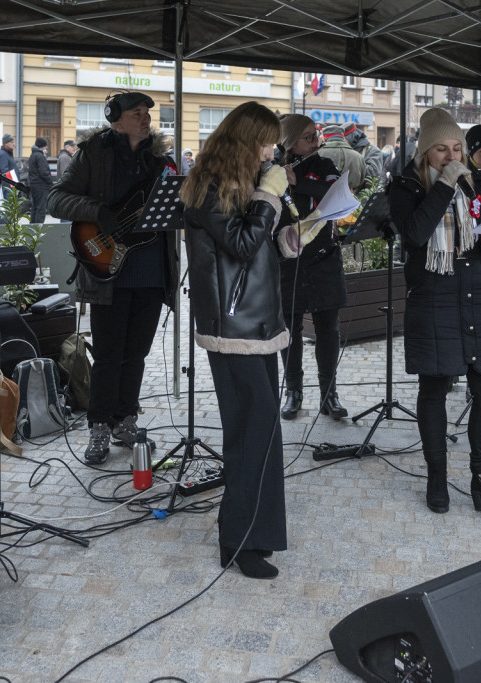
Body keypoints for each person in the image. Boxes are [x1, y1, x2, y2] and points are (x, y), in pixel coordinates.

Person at [388, 108, 481, 515]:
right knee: (434, 389)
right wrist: (445, 185)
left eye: (457, 148)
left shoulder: (474, 183)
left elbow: (479, 247)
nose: (451, 156)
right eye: (441, 149)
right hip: (432, 293)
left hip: (476, 292)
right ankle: (437, 477)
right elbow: (414, 235)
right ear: (425, 151)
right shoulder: (405, 187)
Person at [180, 101, 289, 579]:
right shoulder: (209, 185)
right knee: (250, 429)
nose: (273, 150)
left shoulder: (244, 182)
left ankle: (255, 534)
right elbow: (241, 244)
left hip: (257, 323)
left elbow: (254, 245)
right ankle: (238, 540)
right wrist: (269, 197)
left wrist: (290, 234)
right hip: (233, 328)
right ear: (247, 140)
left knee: (262, 430)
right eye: (266, 140)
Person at [47, 91, 178, 464]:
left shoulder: (160, 160)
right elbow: (56, 199)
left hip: (151, 271)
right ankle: (99, 426)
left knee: (136, 353)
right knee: (108, 355)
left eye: (147, 113)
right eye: (136, 113)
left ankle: (126, 419)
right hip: (107, 271)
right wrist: (97, 210)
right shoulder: (94, 155)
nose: (145, 118)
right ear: (115, 120)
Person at [273, 114, 347, 421]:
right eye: (308, 137)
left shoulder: (324, 166)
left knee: (328, 330)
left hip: (324, 258)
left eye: (315, 135)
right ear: (288, 141)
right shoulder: (273, 168)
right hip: (288, 262)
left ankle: (329, 394)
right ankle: (294, 391)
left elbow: (337, 197)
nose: (316, 141)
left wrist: (298, 182)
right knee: (289, 330)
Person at [317, 124, 366, 192]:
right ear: (343, 137)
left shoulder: (317, 154)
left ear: (325, 137)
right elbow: (361, 180)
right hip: (349, 197)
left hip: (322, 197)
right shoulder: (358, 157)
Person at [27, 137, 53, 223]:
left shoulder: (33, 155)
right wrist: (50, 182)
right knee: (41, 209)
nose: (46, 148)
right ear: (42, 147)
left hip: (34, 185)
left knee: (35, 207)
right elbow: (44, 172)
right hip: (41, 186)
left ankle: (32, 227)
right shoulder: (40, 156)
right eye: (45, 147)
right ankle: (38, 229)